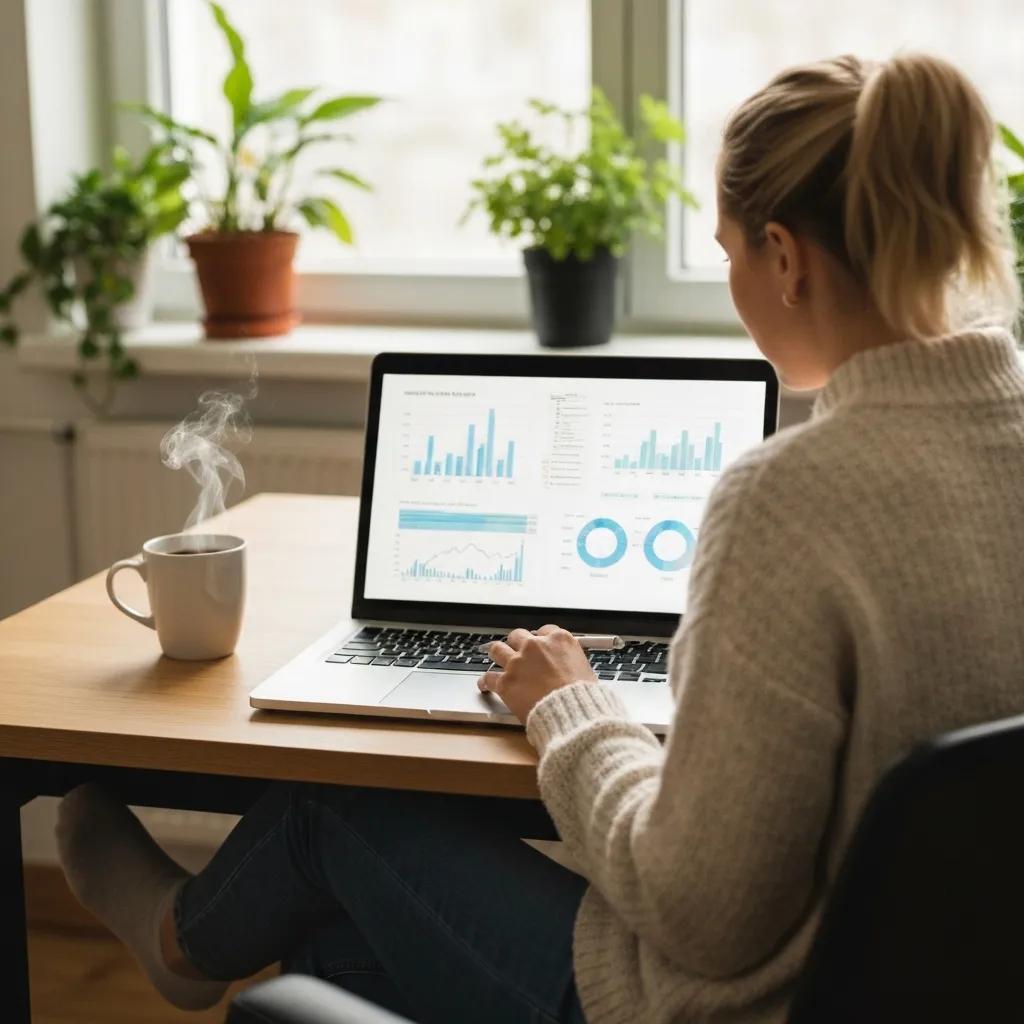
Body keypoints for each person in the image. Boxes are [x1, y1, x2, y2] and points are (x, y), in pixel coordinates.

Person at [57, 52, 1024, 1024]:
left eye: (726, 252)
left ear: (784, 257)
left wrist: (572, 708)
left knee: (332, 805)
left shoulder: (787, 500)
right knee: (333, 951)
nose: (733, 280)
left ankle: (180, 939)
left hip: (735, 1004)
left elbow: (702, 918)